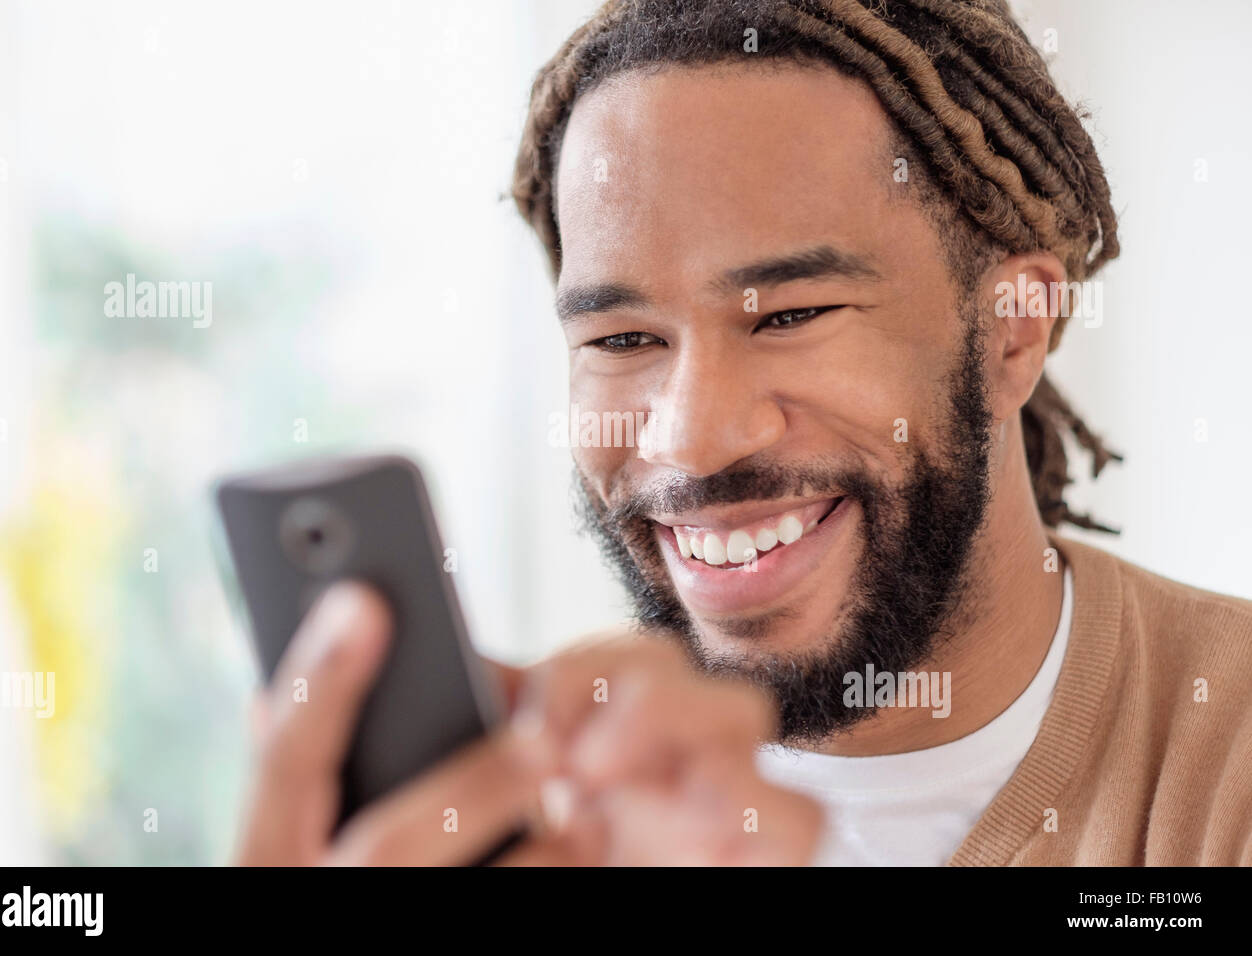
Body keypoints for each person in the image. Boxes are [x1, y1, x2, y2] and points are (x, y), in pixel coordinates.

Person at [235, 0, 1252, 866]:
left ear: (1013, 328)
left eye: (787, 314)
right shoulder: (531, 812)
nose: (693, 439)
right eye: (623, 335)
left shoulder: (1222, 757)